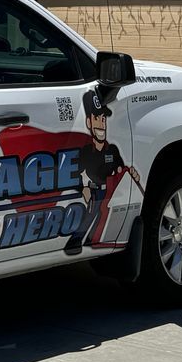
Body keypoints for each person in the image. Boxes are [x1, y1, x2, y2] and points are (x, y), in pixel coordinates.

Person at [66, 87, 137, 253]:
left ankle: (93, 242)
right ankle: (74, 244)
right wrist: (82, 188)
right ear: (89, 122)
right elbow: (72, 174)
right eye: (97, 118)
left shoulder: (112, 149)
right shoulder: (84, 152)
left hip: (111, 193)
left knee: (102, 220)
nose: (101, 124)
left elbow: (122, 168)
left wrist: (131, 172)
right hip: (95, 192)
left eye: (103, 118)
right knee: (90, 216)